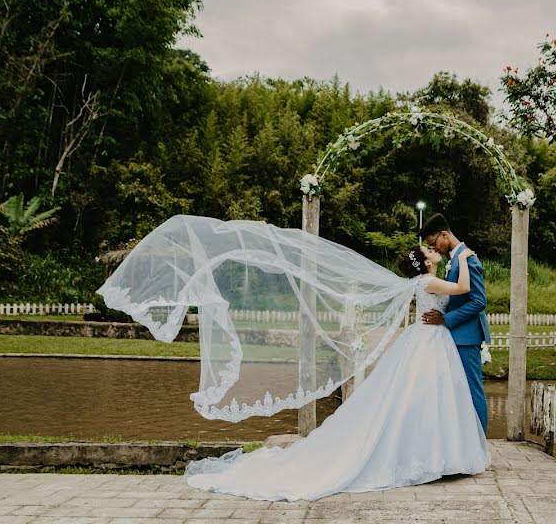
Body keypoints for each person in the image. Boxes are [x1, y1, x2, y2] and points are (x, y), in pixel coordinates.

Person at [98, 215, 490, 502]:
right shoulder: (436, 275)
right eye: (428, 250)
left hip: (432, 339)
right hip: (430, 339)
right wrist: (463, 255)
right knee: (425, 397)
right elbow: (464, 289)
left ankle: (438, 452)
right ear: (426, 261)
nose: (432, 250)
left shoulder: (432, 273)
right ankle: (439, 453)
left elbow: (466, 294)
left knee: (425, 398)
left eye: (430, 244)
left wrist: (458, 267)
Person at [419, 214, 491, 434]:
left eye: (433, 244)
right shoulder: (455, 258)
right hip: (455, 336)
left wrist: (446, 319)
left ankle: (480, 446)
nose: (435, 248)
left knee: (472, 390)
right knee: (458, 393)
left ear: (444, 234)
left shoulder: (468, 258)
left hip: (467, 337)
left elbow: (479, 301)